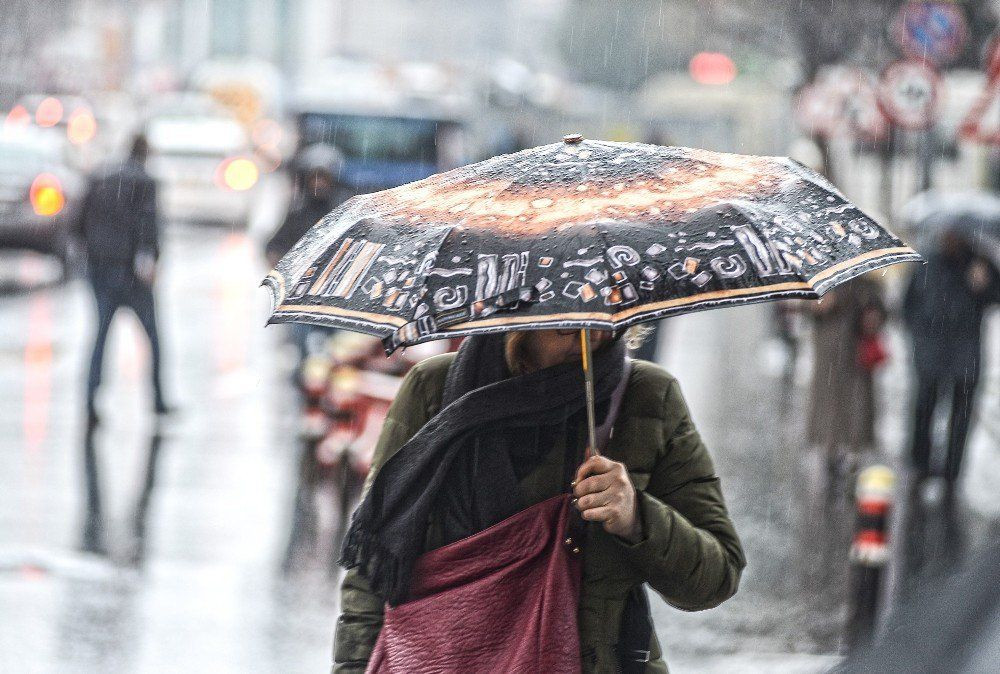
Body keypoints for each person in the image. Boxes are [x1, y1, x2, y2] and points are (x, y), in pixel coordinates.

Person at [334, 328, 745, 672]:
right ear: (518, 316)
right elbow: (375, 562)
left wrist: (638, 518)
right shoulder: (435, 389)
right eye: (566, 323)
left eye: (602, 312)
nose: (592, 335)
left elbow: (715, 577)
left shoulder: (647, 397)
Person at [76, 134, 169, 425]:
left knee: (100, 336)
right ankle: (158, 399)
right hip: (129, 273)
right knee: (153, 338)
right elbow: (148, 225)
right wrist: (149, 259)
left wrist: (88, 256)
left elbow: (78, 222)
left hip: (100, 268)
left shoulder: (101, 177)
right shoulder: (144, 183)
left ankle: (90, 398)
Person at [904, 230, 1000, 487]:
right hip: (930, 352)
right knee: (924, 408)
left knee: (961, 415)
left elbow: (995, 297)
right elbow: (908, 304)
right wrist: (918, 338)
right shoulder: (925, 262)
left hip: (965, 354)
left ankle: (952, 471)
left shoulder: (980, 262)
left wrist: (985, 283)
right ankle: (920, 464)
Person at [806, 275, 887, 483]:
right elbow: (806, 306)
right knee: (830, 402)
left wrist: (873, 313)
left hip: (856, 350)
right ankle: (830, 452)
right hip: (829, 350)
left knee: (856, 402)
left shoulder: (867, 276)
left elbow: (881, 307)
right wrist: (817, 306)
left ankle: (853, 451)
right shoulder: (818, 275)